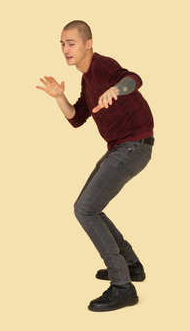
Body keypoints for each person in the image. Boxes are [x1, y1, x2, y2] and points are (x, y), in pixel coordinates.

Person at [36, 20, 154, 312]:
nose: (65, 49)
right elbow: (77, 118)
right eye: (62, 43)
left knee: (85, 209)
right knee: (88, 207)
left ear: (88, 43)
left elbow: (133, 78)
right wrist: (59, 97)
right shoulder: (87, 79)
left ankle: (122, 286)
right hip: (121, 147)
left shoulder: (102, 66)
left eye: (71, 43)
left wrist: (116, 88)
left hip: (133, 145)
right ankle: (131, 265)